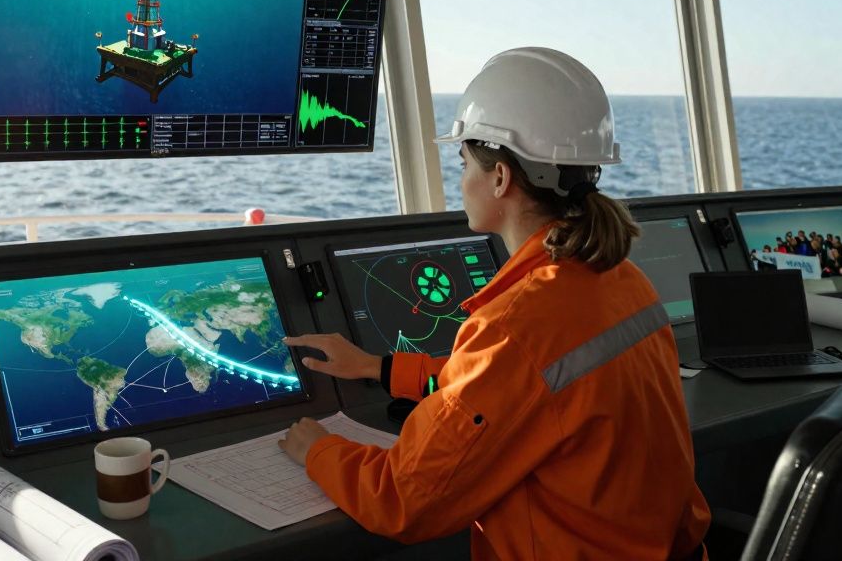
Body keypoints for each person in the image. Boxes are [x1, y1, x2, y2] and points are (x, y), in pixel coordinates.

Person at [278, 48, 709, 560]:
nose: (461, 181)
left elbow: (404, 500)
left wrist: (319, 450)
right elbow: (518, 391)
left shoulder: (515, 325)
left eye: (463, 164)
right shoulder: (621, 276)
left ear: (501, 178)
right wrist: (381, 368)